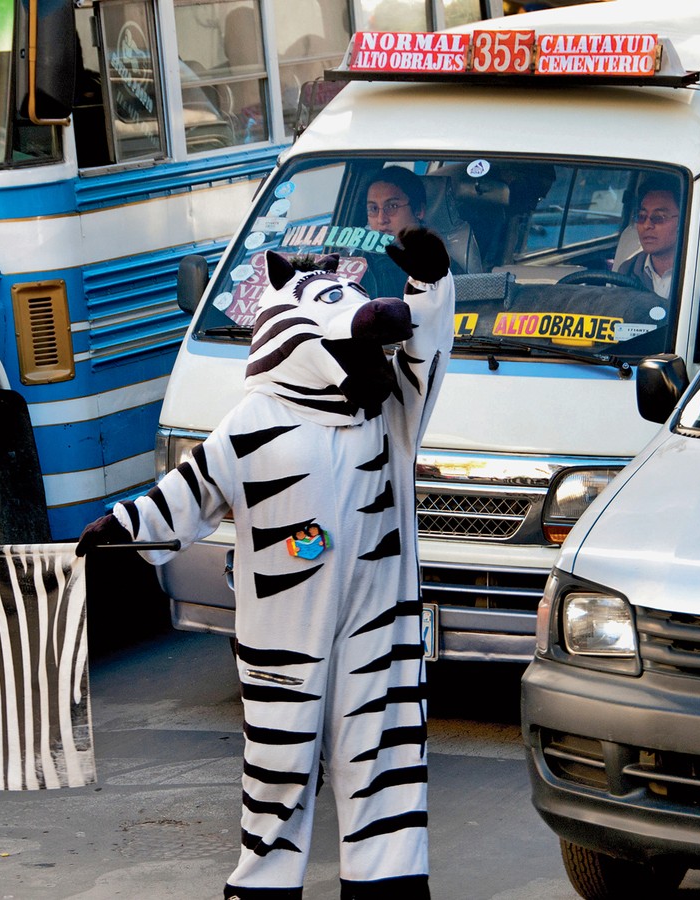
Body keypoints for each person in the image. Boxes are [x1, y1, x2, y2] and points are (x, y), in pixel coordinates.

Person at [77, 227, 456, 899]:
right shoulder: (254, 420)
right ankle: (264, 884)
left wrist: (429, 288)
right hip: (285, 634)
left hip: (379, 624)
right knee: (280, 766)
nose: (372, 347)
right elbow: (191, 491)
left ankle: (388, 881)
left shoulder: (389, 413)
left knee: (388, 753)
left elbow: (428, 355)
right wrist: (123, 528)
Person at [617, 181, 700, 297]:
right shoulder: (627, 270)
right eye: (641, 216)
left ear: (683, 221)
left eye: (658, 217)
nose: (647, 225)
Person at [362, 167, 428, 298]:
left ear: (419, 211)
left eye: (392, 206)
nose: (381, 219)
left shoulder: (440, 263)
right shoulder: (359, 262)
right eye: (373, 208)